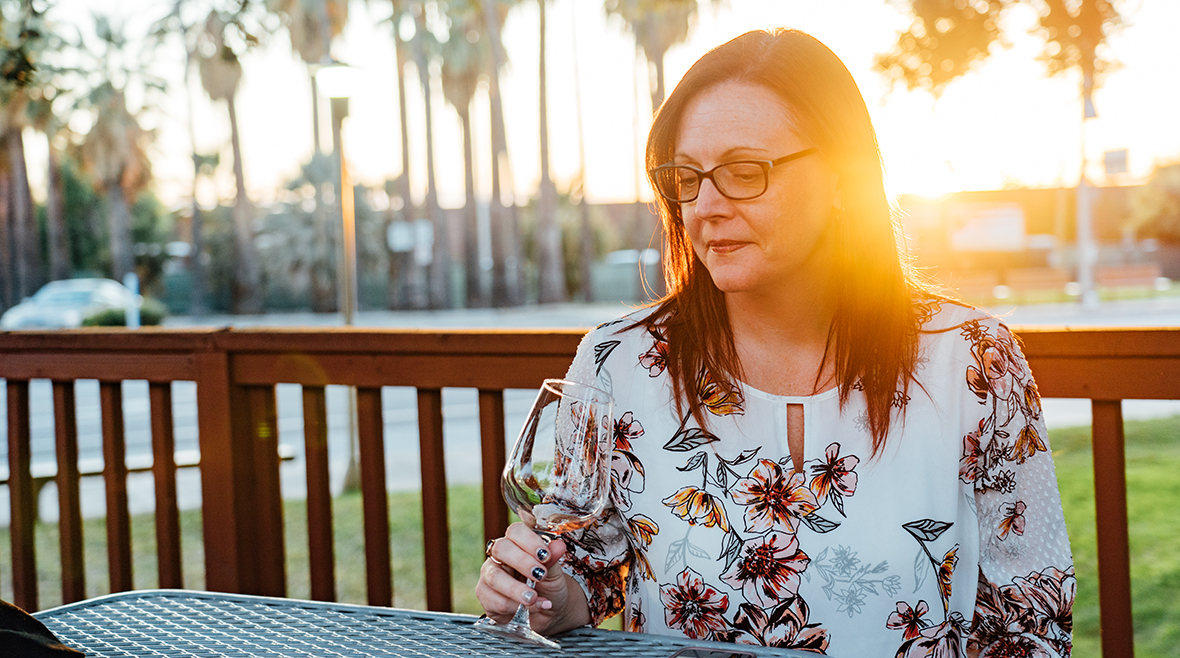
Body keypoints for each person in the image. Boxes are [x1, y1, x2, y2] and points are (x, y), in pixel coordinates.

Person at [476, 28, 1074, 657]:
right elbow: (589, 569)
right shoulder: (617, 363)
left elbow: (1031, 621)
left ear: (841, 177)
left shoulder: (973, 361)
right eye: (686, 177)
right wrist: (549, 595)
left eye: (743, 172)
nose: (705, 206)